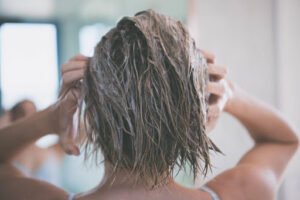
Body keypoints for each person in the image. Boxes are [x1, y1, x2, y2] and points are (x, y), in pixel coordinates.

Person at [0, 10, 298, 200]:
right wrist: (229, 93)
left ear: (92, 113)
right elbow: (284, 140)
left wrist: (53, 119)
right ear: (192, 119)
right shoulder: (241, 193)